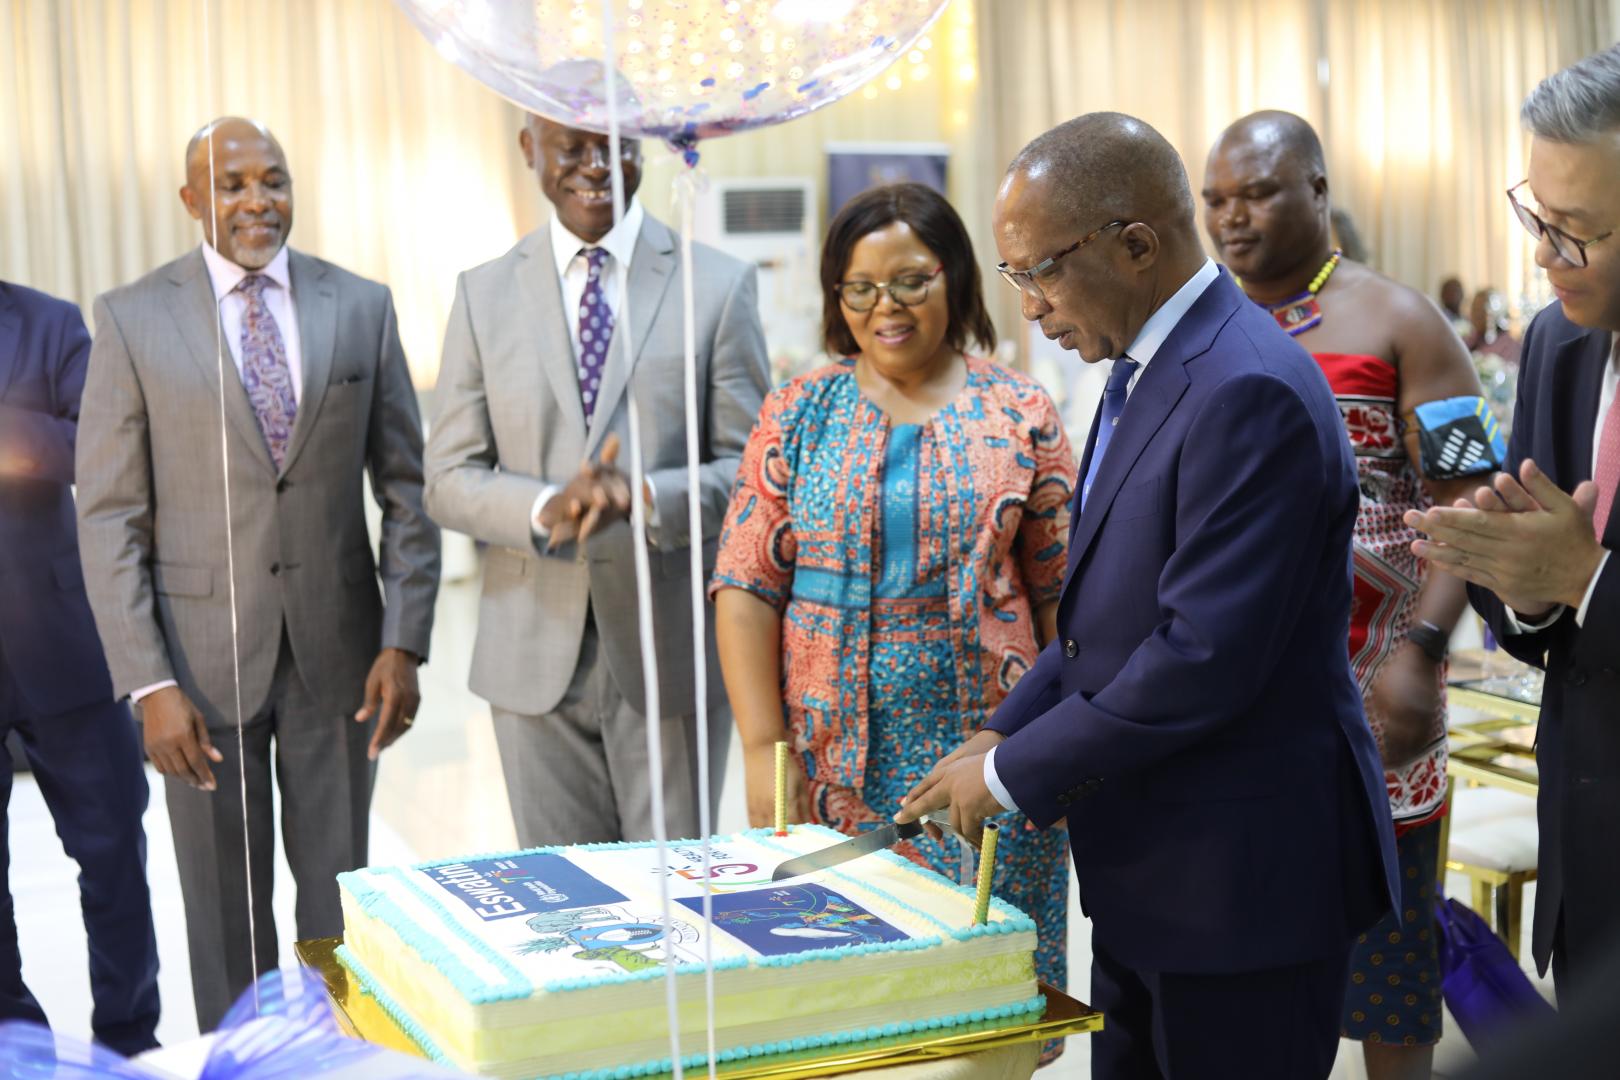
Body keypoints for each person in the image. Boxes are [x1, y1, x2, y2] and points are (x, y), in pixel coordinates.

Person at [896, 113, 1398, 1080]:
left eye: (1037, 271)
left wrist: (1010, 778)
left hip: (1242, 882)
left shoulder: (1245, 387)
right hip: (1153, 870)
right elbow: (1106, 620)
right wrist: (1006, 728)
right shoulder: (1148, 368)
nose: (1030, 307)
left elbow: (1200, 656)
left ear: (1134, 246)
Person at [75, 118, 441, 1031]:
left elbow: (408, 490)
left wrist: (405, 641)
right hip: (197, 677)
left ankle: (340, 1054)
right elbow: (109, 515)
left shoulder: (361, 305)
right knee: (226, 922)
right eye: (231, 184)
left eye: (271, 180)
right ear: (192, 198)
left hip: (344, 665)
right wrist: (149, 682)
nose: (256, 201)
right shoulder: (131, 316)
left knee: (337, 914)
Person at [710, 182, 1076, 1026]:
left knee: (983, 999)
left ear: (954, 278)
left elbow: (1062, 598)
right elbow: (746, 585)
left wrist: (1060, 750)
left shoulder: (1018, 408)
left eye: (911, 280)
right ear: (838, 297)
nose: (888, 306)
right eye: (862, 287)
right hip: (830, 763)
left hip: (991, 761)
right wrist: (765, 745)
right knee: (840, 994)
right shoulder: (799, 409)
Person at [1203, 110, 1497, 1080]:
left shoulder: (1405, 322)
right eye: (1215, 201)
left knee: (1390, 974)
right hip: (1236, 712)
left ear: (1318, 192)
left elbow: (1473, 504)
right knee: (1252, 979)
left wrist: (1421, 652)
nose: (1231, 219)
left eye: (1257, 193)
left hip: (1379, 698)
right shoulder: (1201, 324)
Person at [424, 114, 769, 847]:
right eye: (572, 146)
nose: (596, 164)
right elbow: (448, 476)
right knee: (562, 912)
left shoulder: (717, 285)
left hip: (669, 651)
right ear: (529, 150)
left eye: (615, 144)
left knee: (673, 909)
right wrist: (548, 505)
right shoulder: (483, 294)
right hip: (529, 657)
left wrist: (645, 497)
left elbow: (754, 473)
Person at [1406, 42, 1620, 1002]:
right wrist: (1529, 592)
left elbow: (1585, 578)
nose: (1542, 254)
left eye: (1575, 230)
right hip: (1587, 856)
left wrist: (1589, 581)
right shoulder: (1559, 346)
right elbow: (1532, 616)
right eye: (1537, 215)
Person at [0, 281, 160, 1053]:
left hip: (64, 638)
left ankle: (128, 1034)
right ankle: (14, 1035)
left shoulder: (49, 322)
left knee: (113, 852)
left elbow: (97, 444)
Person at [1466, 288, 1523, 364]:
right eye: (1474, 309)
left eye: (1481, 309)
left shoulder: (1510, 347)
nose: (1476, 315)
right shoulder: (1470, 340)